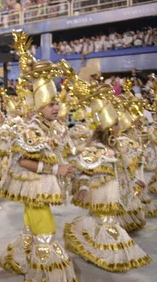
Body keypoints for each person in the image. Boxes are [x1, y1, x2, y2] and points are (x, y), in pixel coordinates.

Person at [0, 31, 79, 282]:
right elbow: (23, 161)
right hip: (34, 187)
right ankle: (45, 272)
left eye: (57, 103)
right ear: (39, 105)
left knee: (33, 227)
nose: (56, 108)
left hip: (41, 189)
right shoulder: (32, 128)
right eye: (51, 104)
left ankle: (27, 259)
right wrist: (58, 169)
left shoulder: (51, 126)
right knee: (45, 230)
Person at [64, 84, 151, 271]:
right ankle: (102, 252)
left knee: (105, 222)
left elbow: (122, 169)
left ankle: (98, 244)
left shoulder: (116, 146)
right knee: (106, 224)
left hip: (113, 191)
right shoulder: (96, 148)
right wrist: (84, 189)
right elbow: (85, 171)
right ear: (110, 129)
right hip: (101, 192)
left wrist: (135, 181)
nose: (121, 126)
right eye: (117, 123)